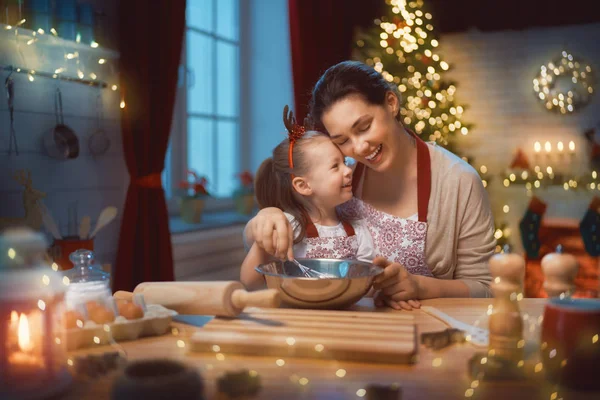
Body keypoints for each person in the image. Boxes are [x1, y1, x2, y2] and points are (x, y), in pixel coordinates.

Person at [244, 61, 496, 309]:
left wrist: (423, 288)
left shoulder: (458, 181)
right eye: (342, 141)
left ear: (391, 103)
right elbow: (268, 238)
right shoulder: (343, 175)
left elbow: (485, 288)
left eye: (364, 127)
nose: (360, 148)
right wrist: (267, 215)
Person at [240, 106, 375, 290]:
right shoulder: (286, 227)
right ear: (303, 186)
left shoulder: (357, 230)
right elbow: (249, 282)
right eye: (335, 166)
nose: (347, 170)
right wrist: (264, 245)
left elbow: (367, 283)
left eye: (344, 162)